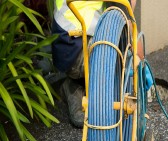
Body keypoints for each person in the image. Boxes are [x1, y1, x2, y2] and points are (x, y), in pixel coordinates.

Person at [52, 0, 138, 128]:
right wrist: (138, 63)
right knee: (119, 56)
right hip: (76, 51)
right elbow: (128, 24)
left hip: (66, 46)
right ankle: (78, 86)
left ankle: (78, 85)